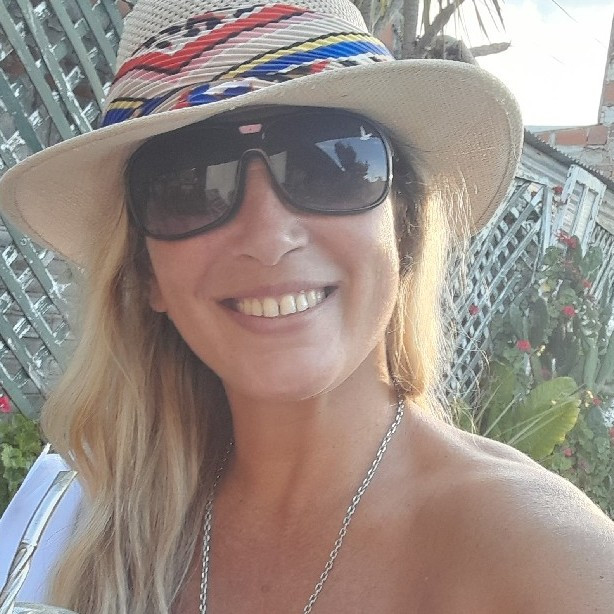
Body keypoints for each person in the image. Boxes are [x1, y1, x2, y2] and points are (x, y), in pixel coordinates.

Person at [0, 0, 613, 613]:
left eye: (328, 164)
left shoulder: (552, 565)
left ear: (404, 229)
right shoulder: (73, 527)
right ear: (146, 272)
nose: (269, 238)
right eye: (190, 185)